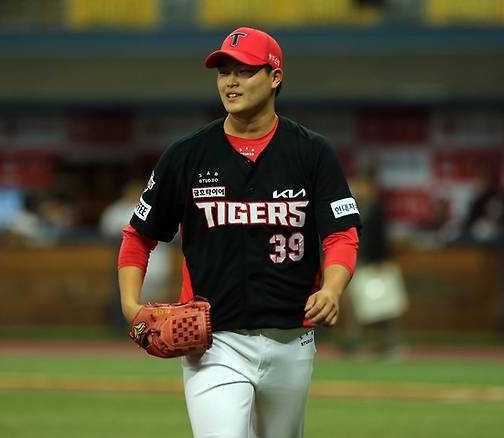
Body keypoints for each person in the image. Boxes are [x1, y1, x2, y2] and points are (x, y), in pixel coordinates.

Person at [117, 27, 361, 438]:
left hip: (292, 340)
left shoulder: (311, 152)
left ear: (275, 76)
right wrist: (130, 306)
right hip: (213, 343)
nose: (230, 82)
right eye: (223, 72)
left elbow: (342, 233)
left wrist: (333, 289)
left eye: (245, 71)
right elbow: (139, 235)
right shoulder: (188, 154)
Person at [344, 171, 405, 358]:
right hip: (357, 264)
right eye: (358, 186)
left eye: (363, 186)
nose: (359, 189)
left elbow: (382, 239)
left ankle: (390, 344)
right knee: (357, 306)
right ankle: (354, 343)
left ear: (372, 188)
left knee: (386, 306)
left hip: (376, 265)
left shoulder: (377, 208)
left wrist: (381, 261)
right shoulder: (351, 207)